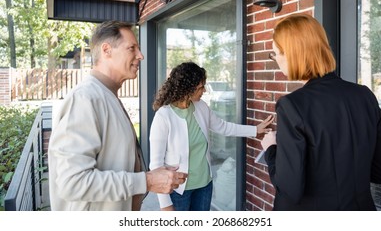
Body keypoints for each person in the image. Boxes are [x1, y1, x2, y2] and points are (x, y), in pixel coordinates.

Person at [48, 21, 187, 211]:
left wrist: (151, 176)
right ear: (107, 50)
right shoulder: (85, 99)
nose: (140, 55)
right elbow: (73, 182)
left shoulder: (106, 95)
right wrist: (145, 181)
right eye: (132, 48)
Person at [261, 13, 381, 210]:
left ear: (292, 54)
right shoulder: (365, 96)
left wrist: (271, 149)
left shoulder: (292, 106)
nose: (276, 60)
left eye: (275, 53)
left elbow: (289, 190)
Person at [149, 61, 274, 211]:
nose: (205, 91)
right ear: (188, 88)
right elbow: (156, 165)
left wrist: (255, 130)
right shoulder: (164, 116)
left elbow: (223, 127)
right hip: (178, 190)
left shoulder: (201, 107)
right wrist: (165, 204)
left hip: (204, 186)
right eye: (201, 87)